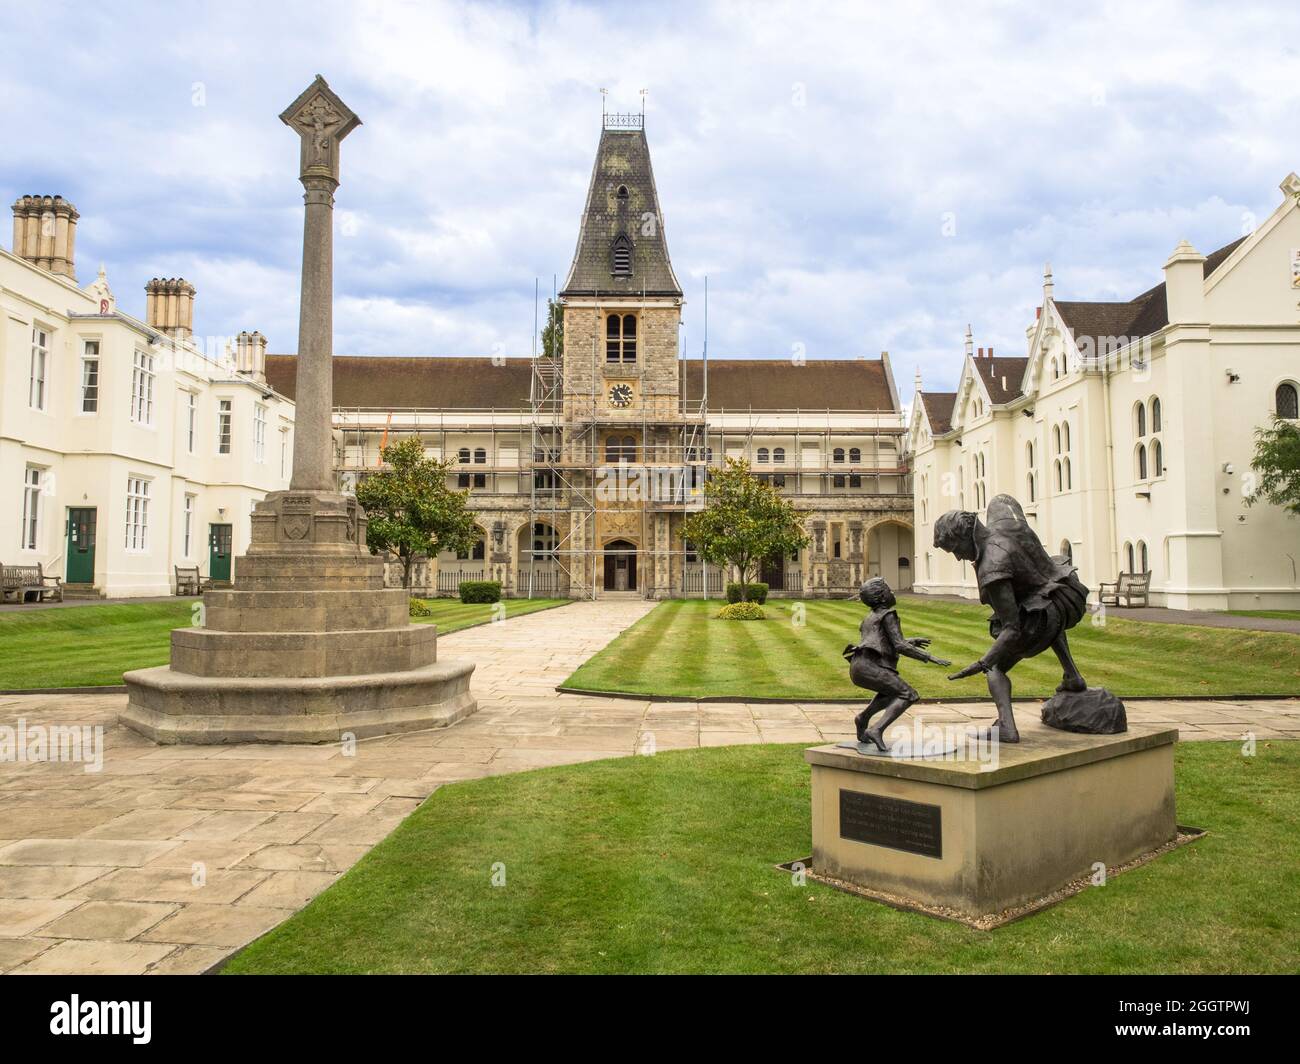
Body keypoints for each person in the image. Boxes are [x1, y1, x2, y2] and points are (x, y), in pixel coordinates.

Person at [933, 493, 1089, 743]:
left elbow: (1012, 628)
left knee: (996, 668)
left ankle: (1006, 727)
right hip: (1064, 594)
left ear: (964, 537)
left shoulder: (992, 568)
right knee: (1042, 606)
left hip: (1045, 615)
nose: (958, 557)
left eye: (955, 549)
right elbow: (1004, 500)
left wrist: (983, 662)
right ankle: (1073, 676)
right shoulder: (1004, 523)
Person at [844, 577, 950, 752]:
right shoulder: (888, 614)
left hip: (858, 666)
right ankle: (876, 729)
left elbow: (883, 641)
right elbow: (899, 645)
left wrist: (911, 641)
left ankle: (863, 718)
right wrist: (930, 657)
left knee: (889, 694)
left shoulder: (870, 617)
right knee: (909, 695)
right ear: (882, 596)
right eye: (888, 590)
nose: (892, 592)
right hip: (870, 666)